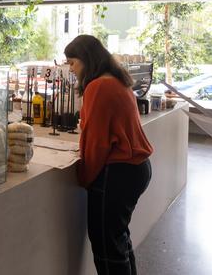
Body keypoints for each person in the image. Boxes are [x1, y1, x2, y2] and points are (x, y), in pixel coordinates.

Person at [64, 35, 153, 275]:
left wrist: (84, 177)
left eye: (72, 62)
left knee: (107, 249)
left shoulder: (98, 86)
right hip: (136, 168)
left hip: (117, 173)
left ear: (87, 59)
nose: (71, 69)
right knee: (118, 241)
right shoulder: (116, 79)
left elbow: (97, 142)